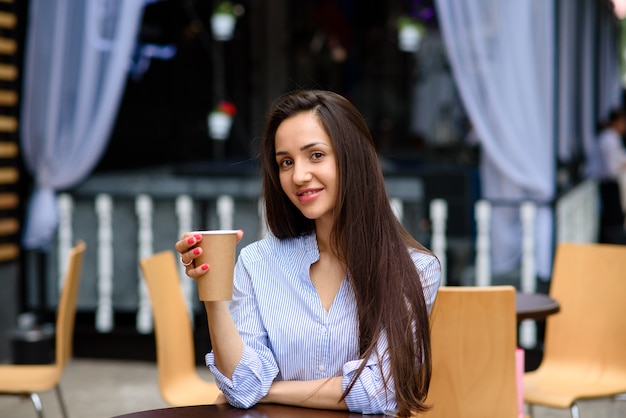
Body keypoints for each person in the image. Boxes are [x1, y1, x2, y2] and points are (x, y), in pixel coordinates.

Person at [175, 89, 441, 417]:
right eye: (286, 162)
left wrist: (269, 392)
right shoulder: (257, 263)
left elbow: (381, 391)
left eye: (315, 155)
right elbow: (243, 386)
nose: (298, 176)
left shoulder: (415, 269)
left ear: (352, 157)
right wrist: (212, 291)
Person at [596, 108, 626, 241]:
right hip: (609, 184)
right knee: (613, 219)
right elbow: (611, 169)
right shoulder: (609, 139)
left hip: (611, 183)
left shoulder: (611, 138)